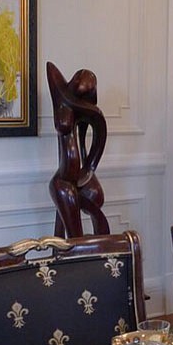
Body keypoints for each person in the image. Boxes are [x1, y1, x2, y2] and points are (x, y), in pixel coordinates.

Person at [47, 61, 109, 237]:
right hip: (63, 182)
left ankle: (102, 259)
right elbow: (50, 69)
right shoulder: (61, 97)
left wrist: (89, 169)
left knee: (97, 200)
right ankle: (67, 260)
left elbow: (100, 139)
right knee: (75, 240)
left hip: (81, 178)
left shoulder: (91, 113)